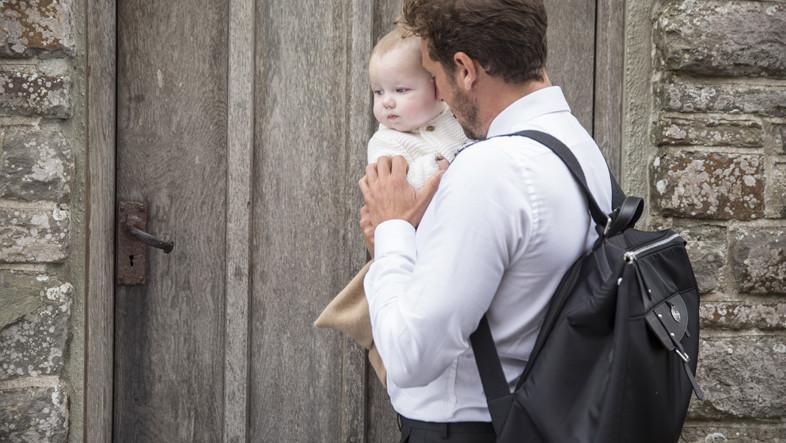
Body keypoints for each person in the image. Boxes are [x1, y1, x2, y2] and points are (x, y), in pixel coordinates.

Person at [358, 1, 614, 441]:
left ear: (464, 69)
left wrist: (392, 230)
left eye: (434, 77)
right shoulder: (574, 142)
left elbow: (411, 356)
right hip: (536, 416)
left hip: (469, 428)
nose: (439, 96)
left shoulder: (489, 171)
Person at [314, 26, 469, 386]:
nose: (387, 102)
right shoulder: (386, 143)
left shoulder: (455, 120)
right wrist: (441, 170)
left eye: (401, 90)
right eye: (378, 92)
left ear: (438, 88)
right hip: (412, 248)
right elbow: (402, 190)